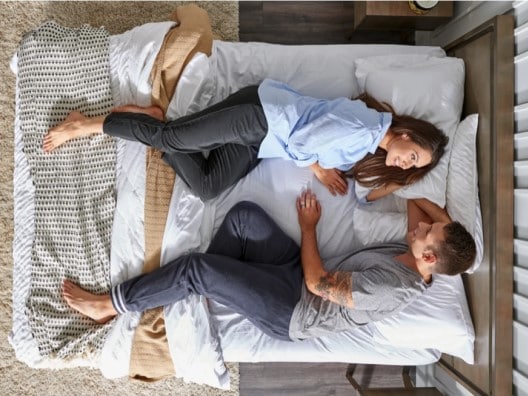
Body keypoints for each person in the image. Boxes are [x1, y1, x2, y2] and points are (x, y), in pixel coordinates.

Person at [62, 191, 476, 341]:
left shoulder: (392, 287)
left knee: (195, 268)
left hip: (293, 308)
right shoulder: (414, 255)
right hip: (295, 275)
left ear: (427, 258)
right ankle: (216, 288)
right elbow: (417, 203)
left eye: (428, 233)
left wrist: (308, 227)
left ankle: (111, 306)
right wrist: (445, 228)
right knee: (244, 217)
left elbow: (318, 284)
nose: (421, 225)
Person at [44, 79, 448, 201]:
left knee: (206, 187)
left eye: (413, 166)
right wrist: (321, 171)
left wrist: (400, 180)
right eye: (411, 155)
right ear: (406, 134)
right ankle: (86, 124)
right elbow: (305, 142)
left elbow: (367, 197)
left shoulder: (370, 140)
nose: (405, 163)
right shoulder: (363, 131)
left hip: (263, 142)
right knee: (172, 137)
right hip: (260, 117)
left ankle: (154, 123)